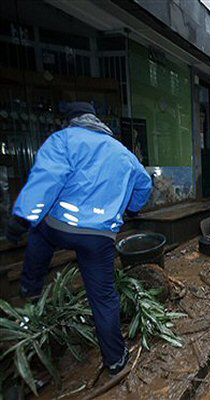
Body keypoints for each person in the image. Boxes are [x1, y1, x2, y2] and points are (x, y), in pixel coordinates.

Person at [6, 102, 152, 376]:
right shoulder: (122, 152)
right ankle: (116, 360)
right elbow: (144, 182)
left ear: (72, 121)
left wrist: (23, 218)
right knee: (104, 297)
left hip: (58, 226)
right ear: (96, 121)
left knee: (38, 234)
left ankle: (30, 289)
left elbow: (46, 178)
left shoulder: (62, 140)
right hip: (98, 236)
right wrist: (133, 206)